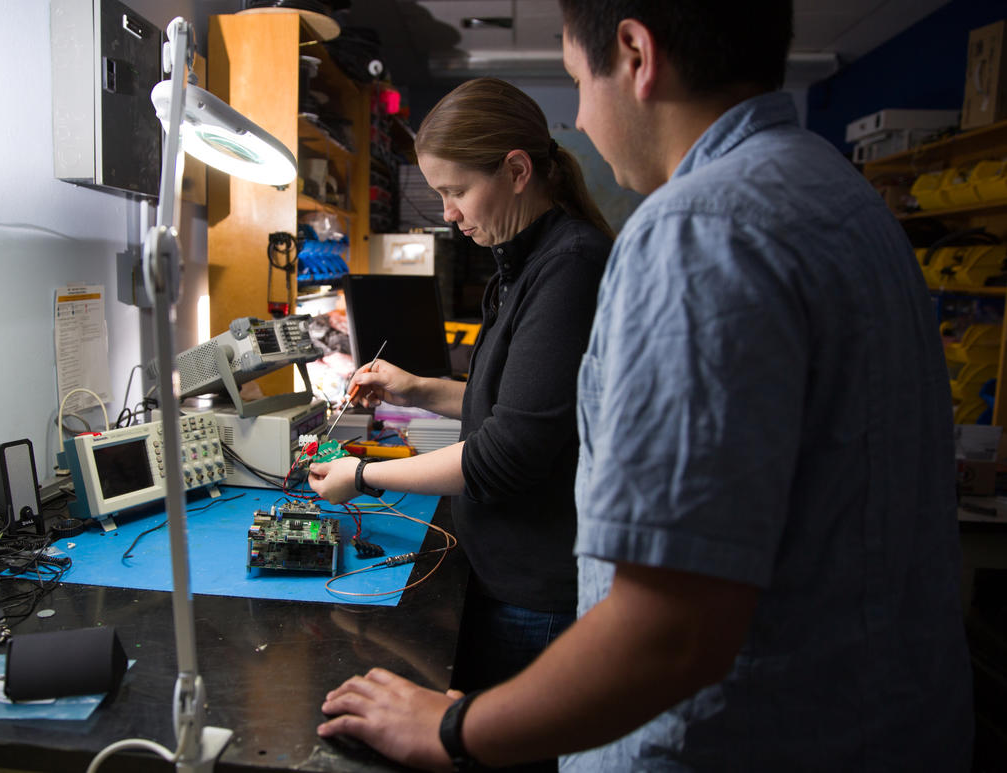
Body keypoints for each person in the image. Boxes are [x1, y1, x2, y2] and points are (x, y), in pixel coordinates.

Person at [315, 2, 974, 771]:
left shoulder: (700, 231)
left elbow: (669, 629)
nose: (583, 123)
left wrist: (453, 729)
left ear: (634, 52)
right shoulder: (841, 192)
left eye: (576, 82)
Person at [307, 76, 614, 740]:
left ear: (517, 170)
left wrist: (361, 476)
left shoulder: (570, 271)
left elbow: (506, 453)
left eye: (455, 191)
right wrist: (415, 387)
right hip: (505, 575)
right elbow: (511, 404)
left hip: (539, 595)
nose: (446, 213)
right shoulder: (523, 261)